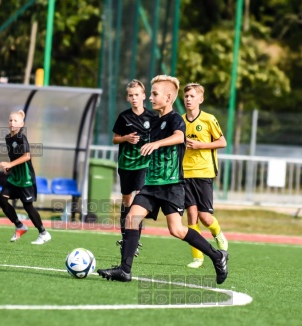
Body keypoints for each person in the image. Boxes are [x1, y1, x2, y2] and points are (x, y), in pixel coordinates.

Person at [97, 75, 229, 284]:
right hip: (151, 184)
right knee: (132, 218)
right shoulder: (154, 122)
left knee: (176, 230)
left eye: (154, 94)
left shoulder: (176, 119)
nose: (150, 98)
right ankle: (125, 270)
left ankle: (217, 255)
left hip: (172, 185)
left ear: (168, 98)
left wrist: (157, 144)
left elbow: (179, 137)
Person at [182, 83, 228, 268]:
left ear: (200, 99)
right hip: (184, 173)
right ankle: (197, 257)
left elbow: (222, 142)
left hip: (204, 173)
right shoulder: (180, 121)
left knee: (205, 218)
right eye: (186, 96)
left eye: (192, 96)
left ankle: (218, 234)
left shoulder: (209, 119)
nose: (188, 99)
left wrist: (200, 145)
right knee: (191, 216)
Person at [112, 79, 158, 257]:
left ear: (144, 96)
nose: (134, 98)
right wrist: (126, 138)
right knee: (126, 201)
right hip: (126, 164)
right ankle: (125, 236)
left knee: (138, 200)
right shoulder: (124, 117)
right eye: (131, 95)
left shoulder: (152, 117)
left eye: (137, 95)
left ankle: (135, 241)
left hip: (143, 165)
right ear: (127, 97)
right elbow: (115, 139)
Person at [0, 110, 51, 245]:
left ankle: (43, 233)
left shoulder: (21, 137)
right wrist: (9, 167)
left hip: (25, 177)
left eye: (15, 121)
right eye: (10, 120)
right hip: (14, 177)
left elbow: (27, 156)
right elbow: (15, 157)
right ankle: (19, 226)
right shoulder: (8, 138)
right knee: (2, 200)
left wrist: (10, 164)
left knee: (28, 206)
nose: (12, 123)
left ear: (21, 124)